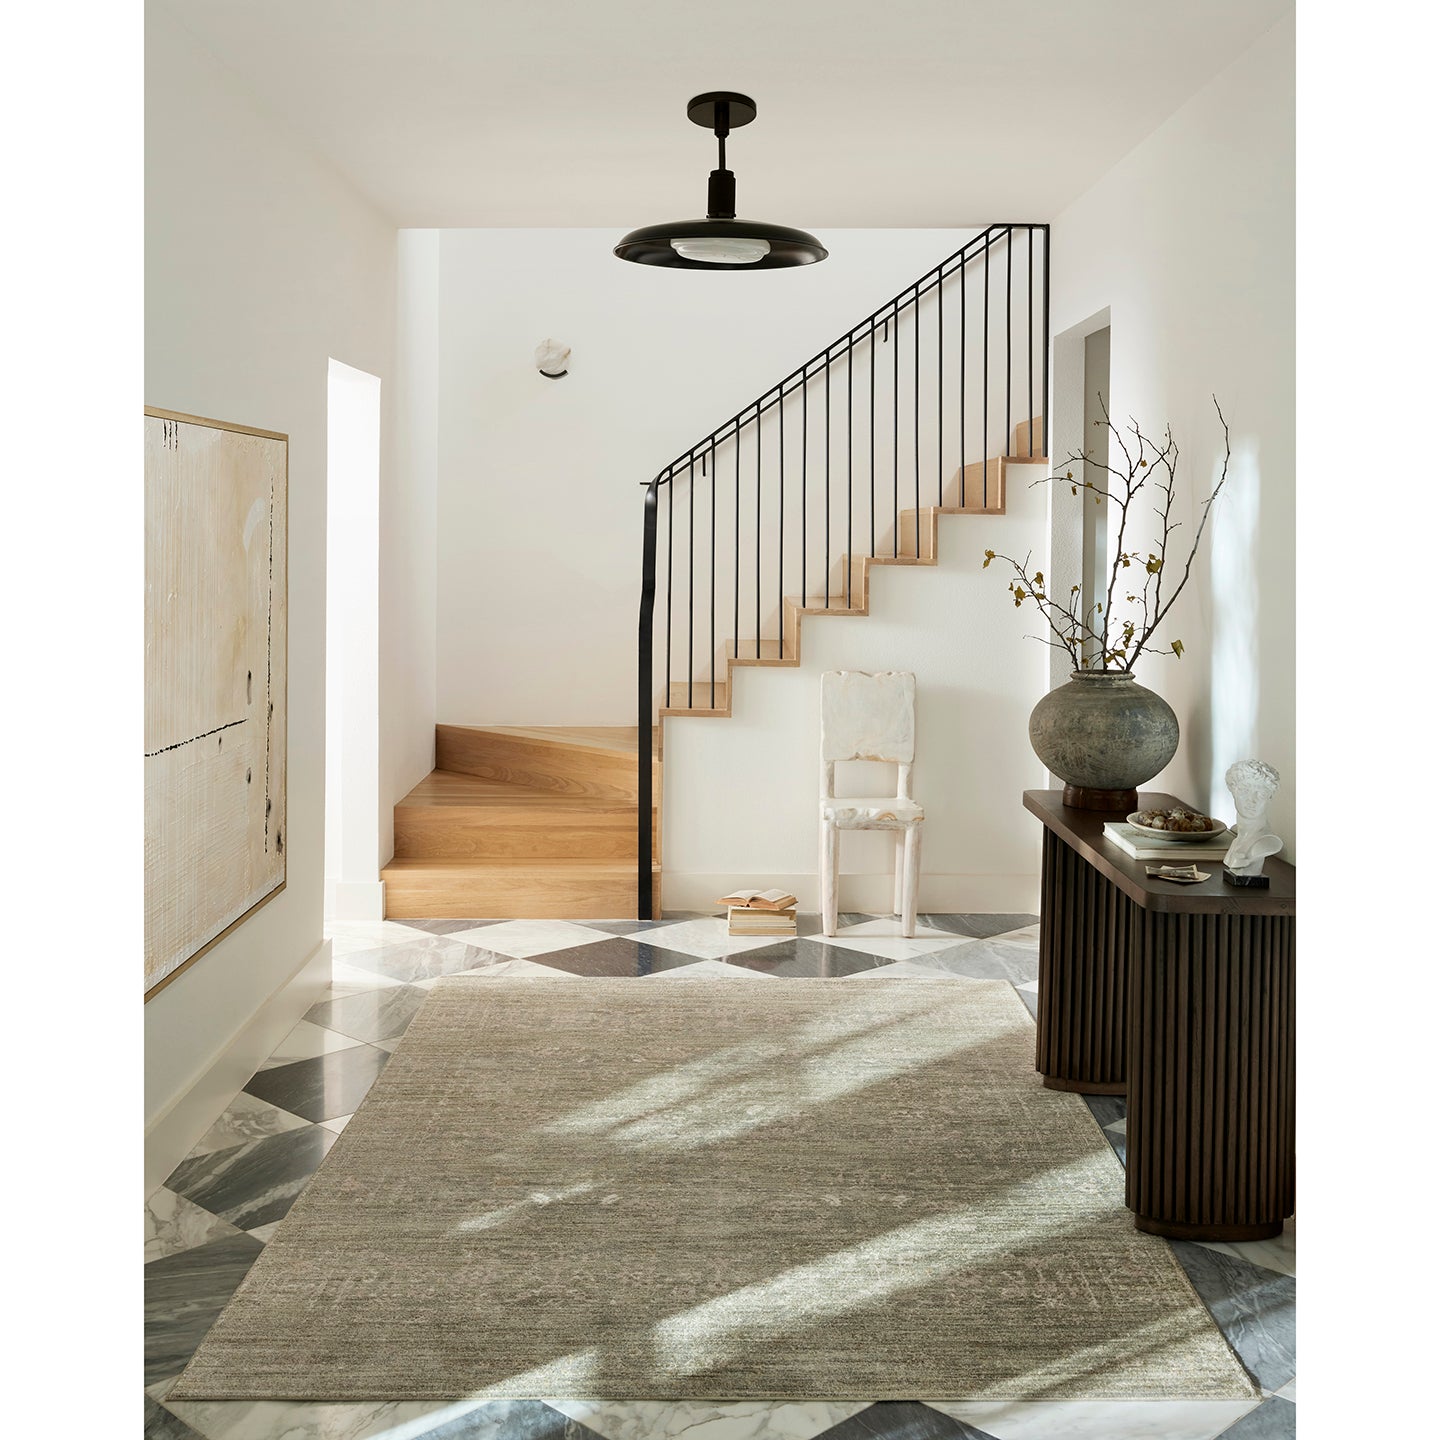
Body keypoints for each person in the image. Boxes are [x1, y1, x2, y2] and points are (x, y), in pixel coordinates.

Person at [1224, 759, 1282, 874]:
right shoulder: (1236, 835)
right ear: (1233, 791)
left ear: (1270, 797)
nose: (1252, 800)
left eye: (1261, 794)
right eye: (1245, 790)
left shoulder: (1266, 842)